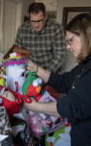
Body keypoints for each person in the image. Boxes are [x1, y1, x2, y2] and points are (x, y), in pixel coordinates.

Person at [24, 13, 91, 146]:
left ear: (85, 37)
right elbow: (64, 81)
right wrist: (35, 68)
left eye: (70, 40)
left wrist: (35, 107)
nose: (67, 46)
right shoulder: (84, 65)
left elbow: (73, 106)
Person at [15, 2, 66, 73]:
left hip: (51, 70)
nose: (36, 25)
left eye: (39, 21)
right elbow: (18, 52)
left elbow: (60, 55)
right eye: (33, 21)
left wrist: (44, 74)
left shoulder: (56, 28)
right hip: (30, 71)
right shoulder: (22, 29)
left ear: (45, 17)